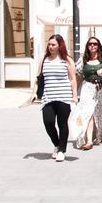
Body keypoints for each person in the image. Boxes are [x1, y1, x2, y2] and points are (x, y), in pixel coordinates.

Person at [33, 34, 78, 162]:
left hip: (63, 97)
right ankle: (57, 144)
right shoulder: (44, 59)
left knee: (62, 124)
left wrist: (74, 96)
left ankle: (62, 150)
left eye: (53, 45)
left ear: (60, 46)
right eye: (49, 44)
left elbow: (73, 79)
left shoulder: (67, 60)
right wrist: (34, 93)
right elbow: (39, 78)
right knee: (48, 122)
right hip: (48, 97)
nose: (51, 47)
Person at [74, 37, 102, 151]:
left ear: (98, 46)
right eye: (90, 44)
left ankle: (98, 135)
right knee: (89, 113)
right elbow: (78, 77)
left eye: (95, 44)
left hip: (101, 88)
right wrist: (74, 93)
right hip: (87, 87)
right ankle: (89, 141)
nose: (92, 46)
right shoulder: (83, 60)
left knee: (100, 112)